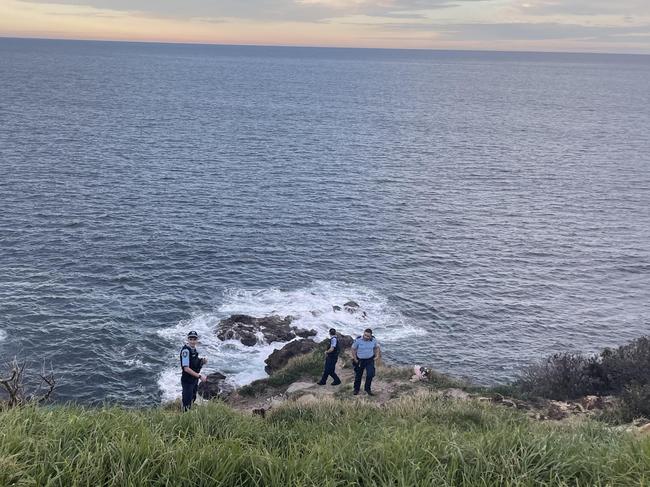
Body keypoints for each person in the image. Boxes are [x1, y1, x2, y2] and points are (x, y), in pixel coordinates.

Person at [180, 330, 208, 411]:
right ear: (188, 339)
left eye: (194, 339)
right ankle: (184, 419)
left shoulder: (193, 350)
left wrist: (202, 361)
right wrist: (199, 376)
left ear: (197, 340)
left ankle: (188, 416)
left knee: (192, 398)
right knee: (186, 403)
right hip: (188, 381)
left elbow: (194, 363)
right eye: (191, 339)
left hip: (194, 380)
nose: (192, 341)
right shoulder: (186, 351)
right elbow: (186, 368)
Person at [351, 328, 380, 396]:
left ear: (371, 336)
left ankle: (367, 389)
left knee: (370, 374)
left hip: (370, 360)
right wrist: (355, 359)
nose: (366, 337)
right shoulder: (358, 340)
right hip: (360, 360)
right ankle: (356, 389)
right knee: (358, 375)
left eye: (368, 336)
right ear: (363, 334)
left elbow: (377, 347)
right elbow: (353, 349)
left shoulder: (373, 340)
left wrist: (377, 355)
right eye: (365, 335)